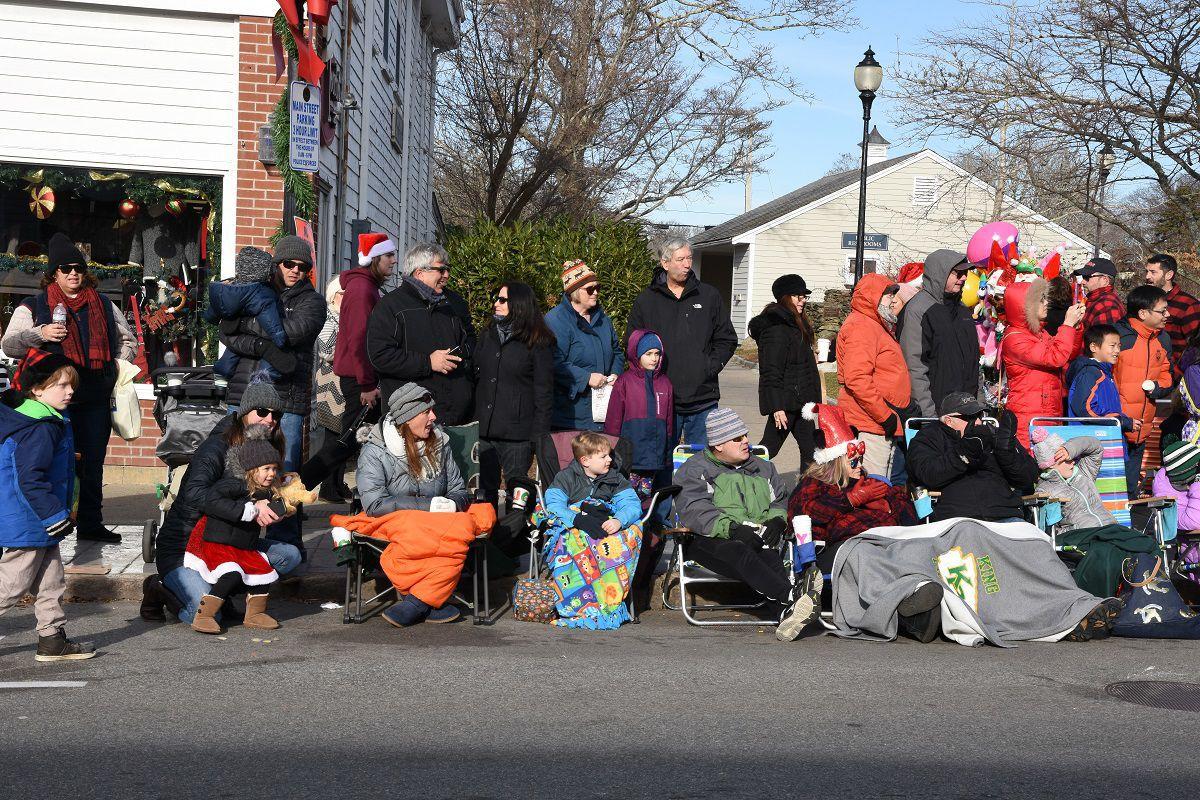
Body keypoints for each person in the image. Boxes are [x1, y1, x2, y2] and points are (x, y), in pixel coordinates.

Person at [1, 232, 137, 543]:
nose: (73, 273)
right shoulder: (34, 305)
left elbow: (128, 340)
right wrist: (40, 333)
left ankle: (90, 524)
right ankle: (49, 521)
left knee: (92, 463)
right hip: (47, 402)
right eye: (65, 269)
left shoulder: (103, 304)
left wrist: (115, 364)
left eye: (77, 268)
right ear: (54, 273)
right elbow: (9, 345)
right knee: (49, 462)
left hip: (94, 397)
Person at [141, 381, 303, 624]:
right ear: (244, 412)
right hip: (186, 545)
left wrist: (280, 504)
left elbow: (261, 497)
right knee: (206, 613)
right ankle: (159, 588)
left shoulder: (265, 448)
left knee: (289, 555)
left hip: (232, 540)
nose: (270, 419)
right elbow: (196, 494)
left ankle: (225, 592)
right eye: (262, 412)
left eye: (276, 414)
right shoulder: (216, 447)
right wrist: (249, 510)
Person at [674, 407, 822, 642]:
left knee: (770, 556)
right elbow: (694, 510)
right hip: (708, 539)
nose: (746, 441)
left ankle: (787, 613)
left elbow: (780, 500)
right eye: (738, 438)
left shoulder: (763, 467)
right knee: (740, 550)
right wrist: (731, 528)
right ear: (719, 444)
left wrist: (776, 519)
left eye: (745, 435)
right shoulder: (695, 469)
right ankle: (792, 596)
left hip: (757, 537)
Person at [0, 351, 95, 661]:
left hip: (38, 518)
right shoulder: (38, 426)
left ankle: (52, 639)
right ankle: (51, 637)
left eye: (72, 386)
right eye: (61, 385)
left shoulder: (46, 417)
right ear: (37, 388)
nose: (69, 392)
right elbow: (29, 478)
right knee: (12, 585)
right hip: (29, 519)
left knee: (51, 580)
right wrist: (55, 515)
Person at [355, 383, 470, 626]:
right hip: (397, 522)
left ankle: (416, 603)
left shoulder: (440, 443)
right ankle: (428, 601)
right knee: (424, 536)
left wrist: (451, 504)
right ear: (407, 418)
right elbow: (375, 504)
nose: (434, 417)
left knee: (461, 532)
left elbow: (459, 488)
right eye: (426, 412)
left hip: (439, 519)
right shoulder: (375, 451)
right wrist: (429, 506)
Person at [218, 235, 327, 471]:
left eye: (303, 267)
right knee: (236, 465)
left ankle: (285, 509)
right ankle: (238, 509)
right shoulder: (253, 291)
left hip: (286, 398)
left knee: (284, 470)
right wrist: (260, 345)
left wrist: (247, 324)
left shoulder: (313, 302)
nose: (295, 270)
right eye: (289, 264)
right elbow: (226, 332)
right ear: (277, 264)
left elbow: (292, 332)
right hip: (243, 392)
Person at [627, 238, 737, 445]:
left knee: (702, 463)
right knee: (661, 463)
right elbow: (633, 344)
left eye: (689, 258)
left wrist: (709, 367)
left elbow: (727, 338)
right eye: (680, 259)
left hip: (703, 398)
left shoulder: (708, 296)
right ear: (665, 263)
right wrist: (649, 376)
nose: (687, 264)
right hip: (661, 397)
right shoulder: (647, 300)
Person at [184, 431, 292, 634]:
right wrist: (248, 510)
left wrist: (282, 509)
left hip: (244, 545)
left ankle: (255, 614)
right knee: (231, 574)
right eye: (266, 468)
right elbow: (213, 501)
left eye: (274, 469)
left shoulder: (267, 489)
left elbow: (272, 508)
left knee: (262, 573)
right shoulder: (233, 484)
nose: (271, 474)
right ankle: (204, 616)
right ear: (251, 469)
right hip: (219, 542)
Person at [789, 403, 916, 575]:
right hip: (840, 548)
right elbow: (805, 512)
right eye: (854, 462)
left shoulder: (868, 481)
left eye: (861, 459)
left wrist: (890, 508)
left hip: (884, 541)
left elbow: (903, 502)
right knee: (866, 555)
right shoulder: (815, 483)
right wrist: (850, 500)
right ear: (835, 463)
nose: (860, 466)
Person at [366, 242, 475, 424]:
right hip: (411, 418)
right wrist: (428, 362)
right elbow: (380, 356)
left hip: (456, 414)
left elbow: (471, 341)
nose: (447, 275)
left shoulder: (454, 303)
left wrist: (463, 363)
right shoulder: (391, 306)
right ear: (419, 273)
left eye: (448, 269)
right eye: (441, 270)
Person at [474, 281, 554, 506]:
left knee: (518, 496)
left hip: (518, 436)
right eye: (496, 299)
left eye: (502, 300)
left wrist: (538, 438)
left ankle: (516, 539)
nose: (496, 304)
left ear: (518, 304)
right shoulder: (488, 335)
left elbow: (544, 393)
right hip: (485, 431)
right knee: (483, 496)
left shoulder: (538, 342)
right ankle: (488, 539)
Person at [907, 393, 1040, 523]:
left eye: (979, 415)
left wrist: (1008, 454)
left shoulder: (993, 434)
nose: (978, 421)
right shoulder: (929, 437)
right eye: (970, 417)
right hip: (957, 518)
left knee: (1037, 543)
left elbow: (1029, 478)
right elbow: (927, 474)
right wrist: (964, 454)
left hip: (1005, 514)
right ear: (949, 420)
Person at [835, 274, 911, 481]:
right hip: (870, 422)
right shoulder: (862, 326)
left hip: (879, 420)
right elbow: (857, 378)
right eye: (888, 296)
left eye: (894, 295)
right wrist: (884, 415)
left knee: (883, 483)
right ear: (873, 298)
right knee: (873, 486)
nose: (893, 300)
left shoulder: (874, 325)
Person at [1000, 278, 1084, 450]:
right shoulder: (1015, 338)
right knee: (1031, 468)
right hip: (1029, 417)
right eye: (1040, 300)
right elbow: (1055, 357)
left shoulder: (1039, 332)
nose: (1047, 303)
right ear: (1024, 307)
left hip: (1047, 411)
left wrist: (1075, 327)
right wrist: (1067, 325)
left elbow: (1068, 353)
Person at [747, 274, 819, 464]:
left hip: (802, 403)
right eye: (798, 296)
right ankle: (738, 479)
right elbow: (771, 370)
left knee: (811, 452)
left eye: (804, 297)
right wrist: (776, 406)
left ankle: (806, 493)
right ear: (786, 297)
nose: (803, 301)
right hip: (786, 403)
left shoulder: (797, 324)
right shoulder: (777, 327)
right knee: (769, 449)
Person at [544, 260, 623, 431]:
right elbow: (553, 362)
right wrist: (586, 378)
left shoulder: (603, 320)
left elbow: (617, 351)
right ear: (573, 292)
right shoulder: (556, 320)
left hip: (603, 413)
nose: (595, 293)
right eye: (589, 289)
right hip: (570, 417)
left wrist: (616, 373)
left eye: (598, 288)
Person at [899, 249, 977, 417]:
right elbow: (914, 368)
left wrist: (978, 407)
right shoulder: (918, 310)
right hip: (936, 415)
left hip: (966, 413)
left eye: (965, 273)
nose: (964, 278)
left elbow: (973, 363)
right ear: (940, 273)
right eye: (958, 273)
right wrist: (928, 416)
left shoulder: (963, 311)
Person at [334, 232, 395, 447]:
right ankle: (322, 479)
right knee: (350, 438)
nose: (393, 260)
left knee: (352, 435)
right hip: (358, 378)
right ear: (375, 258)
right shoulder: (361, 289)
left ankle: (333, 481)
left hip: (360, 376)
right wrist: (367, 385)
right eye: (388, 255)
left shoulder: (367, 286)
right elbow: (359, 339)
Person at [1114, 285, 1173, 496]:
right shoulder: (1118, 336)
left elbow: (1168, 375)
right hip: (1116, 426)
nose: (1168, 315)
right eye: (1162, 311)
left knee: (1129, 489)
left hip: (1142, 427)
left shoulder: (1163, 339)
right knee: (1110, 487)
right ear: (1142, 313)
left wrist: (1158, 388)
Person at [204, 246, 293, 381]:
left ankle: (222, 371)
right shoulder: (261, 293)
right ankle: (262, 380)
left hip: (233, 330)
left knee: (233, 350)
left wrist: (210, 317)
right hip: (254, 338)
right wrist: (280, 338)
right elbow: (269, 318)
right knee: (270, 354)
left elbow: (212, 313)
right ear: (263, 271)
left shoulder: (227, 287)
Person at [605, 330, 673, 503]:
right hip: (630, 456)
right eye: (648, 353)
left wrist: (666, 453)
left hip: (654, 457)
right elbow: (614, 419)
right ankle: (625, 526)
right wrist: (610, 449)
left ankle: (644, 526)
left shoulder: (665, 383)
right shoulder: (625, 381)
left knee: (646, 498)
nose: (654, 358)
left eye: (657, 353)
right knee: (625, 496)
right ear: (636, 354)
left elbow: (669, 423)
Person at [544, 432, 643, 536]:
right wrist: (576, 519)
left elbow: (631, 504)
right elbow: (554, 505)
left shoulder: (616, 479)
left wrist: (619, 520)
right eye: (603, 456)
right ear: (585, 461)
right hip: (573, 524)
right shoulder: (565, 477)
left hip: (606, 525)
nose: (609, 459)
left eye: (609, 455)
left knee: (633, 526)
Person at [313, 278, 350, 502]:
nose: (346, 298)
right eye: (343, 294)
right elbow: (326, 351)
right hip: (329, 383)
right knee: (332, 435)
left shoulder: (345, 318)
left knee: (345, 433)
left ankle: (337, 482)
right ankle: (327, 485)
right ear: (333, 295)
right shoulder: (329, 318)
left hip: (342, 381)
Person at [1065, 324, 1136, 432]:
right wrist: (1118, 422)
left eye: (1119, 346)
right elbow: (1084, 408)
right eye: (1112, 345)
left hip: (1106, 437)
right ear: (1093, 347)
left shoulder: (1105, 373)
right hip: (1092, 439)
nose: (1117, 350)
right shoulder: (1090, 373)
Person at [1145, 253, 1200, 373]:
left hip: (1172, 378)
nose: (1147, 276)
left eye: (1153, 272)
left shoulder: (1189, 305)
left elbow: (1196, 349)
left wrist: (1176, 375)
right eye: (1147, 271)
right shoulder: (1144, 300)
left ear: (1169, 275)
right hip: (1144, 373)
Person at [1077, 257, 1125, 330]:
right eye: (1083, 277)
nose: (1082, 282)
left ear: (1105, 280)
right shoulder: (1095, 299)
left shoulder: (1107, 305)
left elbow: (1104, 340)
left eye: (1087, 277)